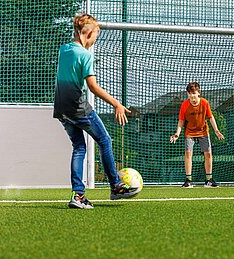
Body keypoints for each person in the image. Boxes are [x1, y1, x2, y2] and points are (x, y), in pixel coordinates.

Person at [53, 14, 138, 209]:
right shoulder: (85, 55)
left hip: (60, 108)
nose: (93, 42)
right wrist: (116, 103)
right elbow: (92, 86)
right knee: (105, 140)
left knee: (79, 147)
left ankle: (78, 195)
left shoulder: (64, 50)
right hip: (77, 107)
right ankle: (116, 185)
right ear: (89, 33)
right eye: (95, 37)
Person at [170, 82, 225, 188]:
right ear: (187, 94)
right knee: (188, 154)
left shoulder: (204, 103)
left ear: (198, 93)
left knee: (208, 154)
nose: (192, 96)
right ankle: (188, 180)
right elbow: (181, 120)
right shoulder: (184, 105)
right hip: (189, 132)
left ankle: (209, 180)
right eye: (190, 93)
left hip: (203, 131)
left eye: (194, 93)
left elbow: (210, 117)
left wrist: (216, 130)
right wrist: (177, 133)